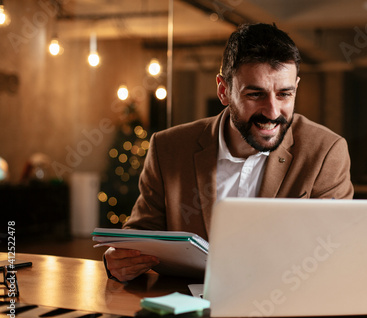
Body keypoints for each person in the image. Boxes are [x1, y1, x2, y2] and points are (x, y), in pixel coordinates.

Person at [104, 23, 353, 282]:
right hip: (188, 310)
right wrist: (120, 261)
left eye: (284, 94)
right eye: (255, 94)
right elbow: (142, 234)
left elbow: (334, 252)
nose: (272, 111)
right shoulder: (168, 148)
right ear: (224, 90)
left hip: (283, 306)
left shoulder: (326, 152)